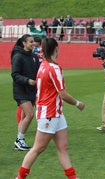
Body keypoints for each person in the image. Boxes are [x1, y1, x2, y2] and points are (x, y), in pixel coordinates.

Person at [16, 38, 85, 179]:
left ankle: (73, 177)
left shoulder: (43, 64)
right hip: (49, 113)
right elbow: (62, 93)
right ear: (56, 49)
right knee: (38, 148)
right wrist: (78, 104)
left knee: (63, 147)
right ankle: (20, 177)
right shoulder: (54, 68)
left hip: (55, 113)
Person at [11, 34, 40, 151]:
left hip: (31, 91)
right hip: (21, 91)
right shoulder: (18, 57)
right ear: (24, 43)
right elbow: (15, 75)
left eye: (33, 42)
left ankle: (19, 140)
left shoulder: (34, 57)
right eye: (30, 42)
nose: (33, 43)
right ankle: (19, 140)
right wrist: (28, 81)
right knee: (30, 114)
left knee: (24, 116)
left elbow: (37, 73)